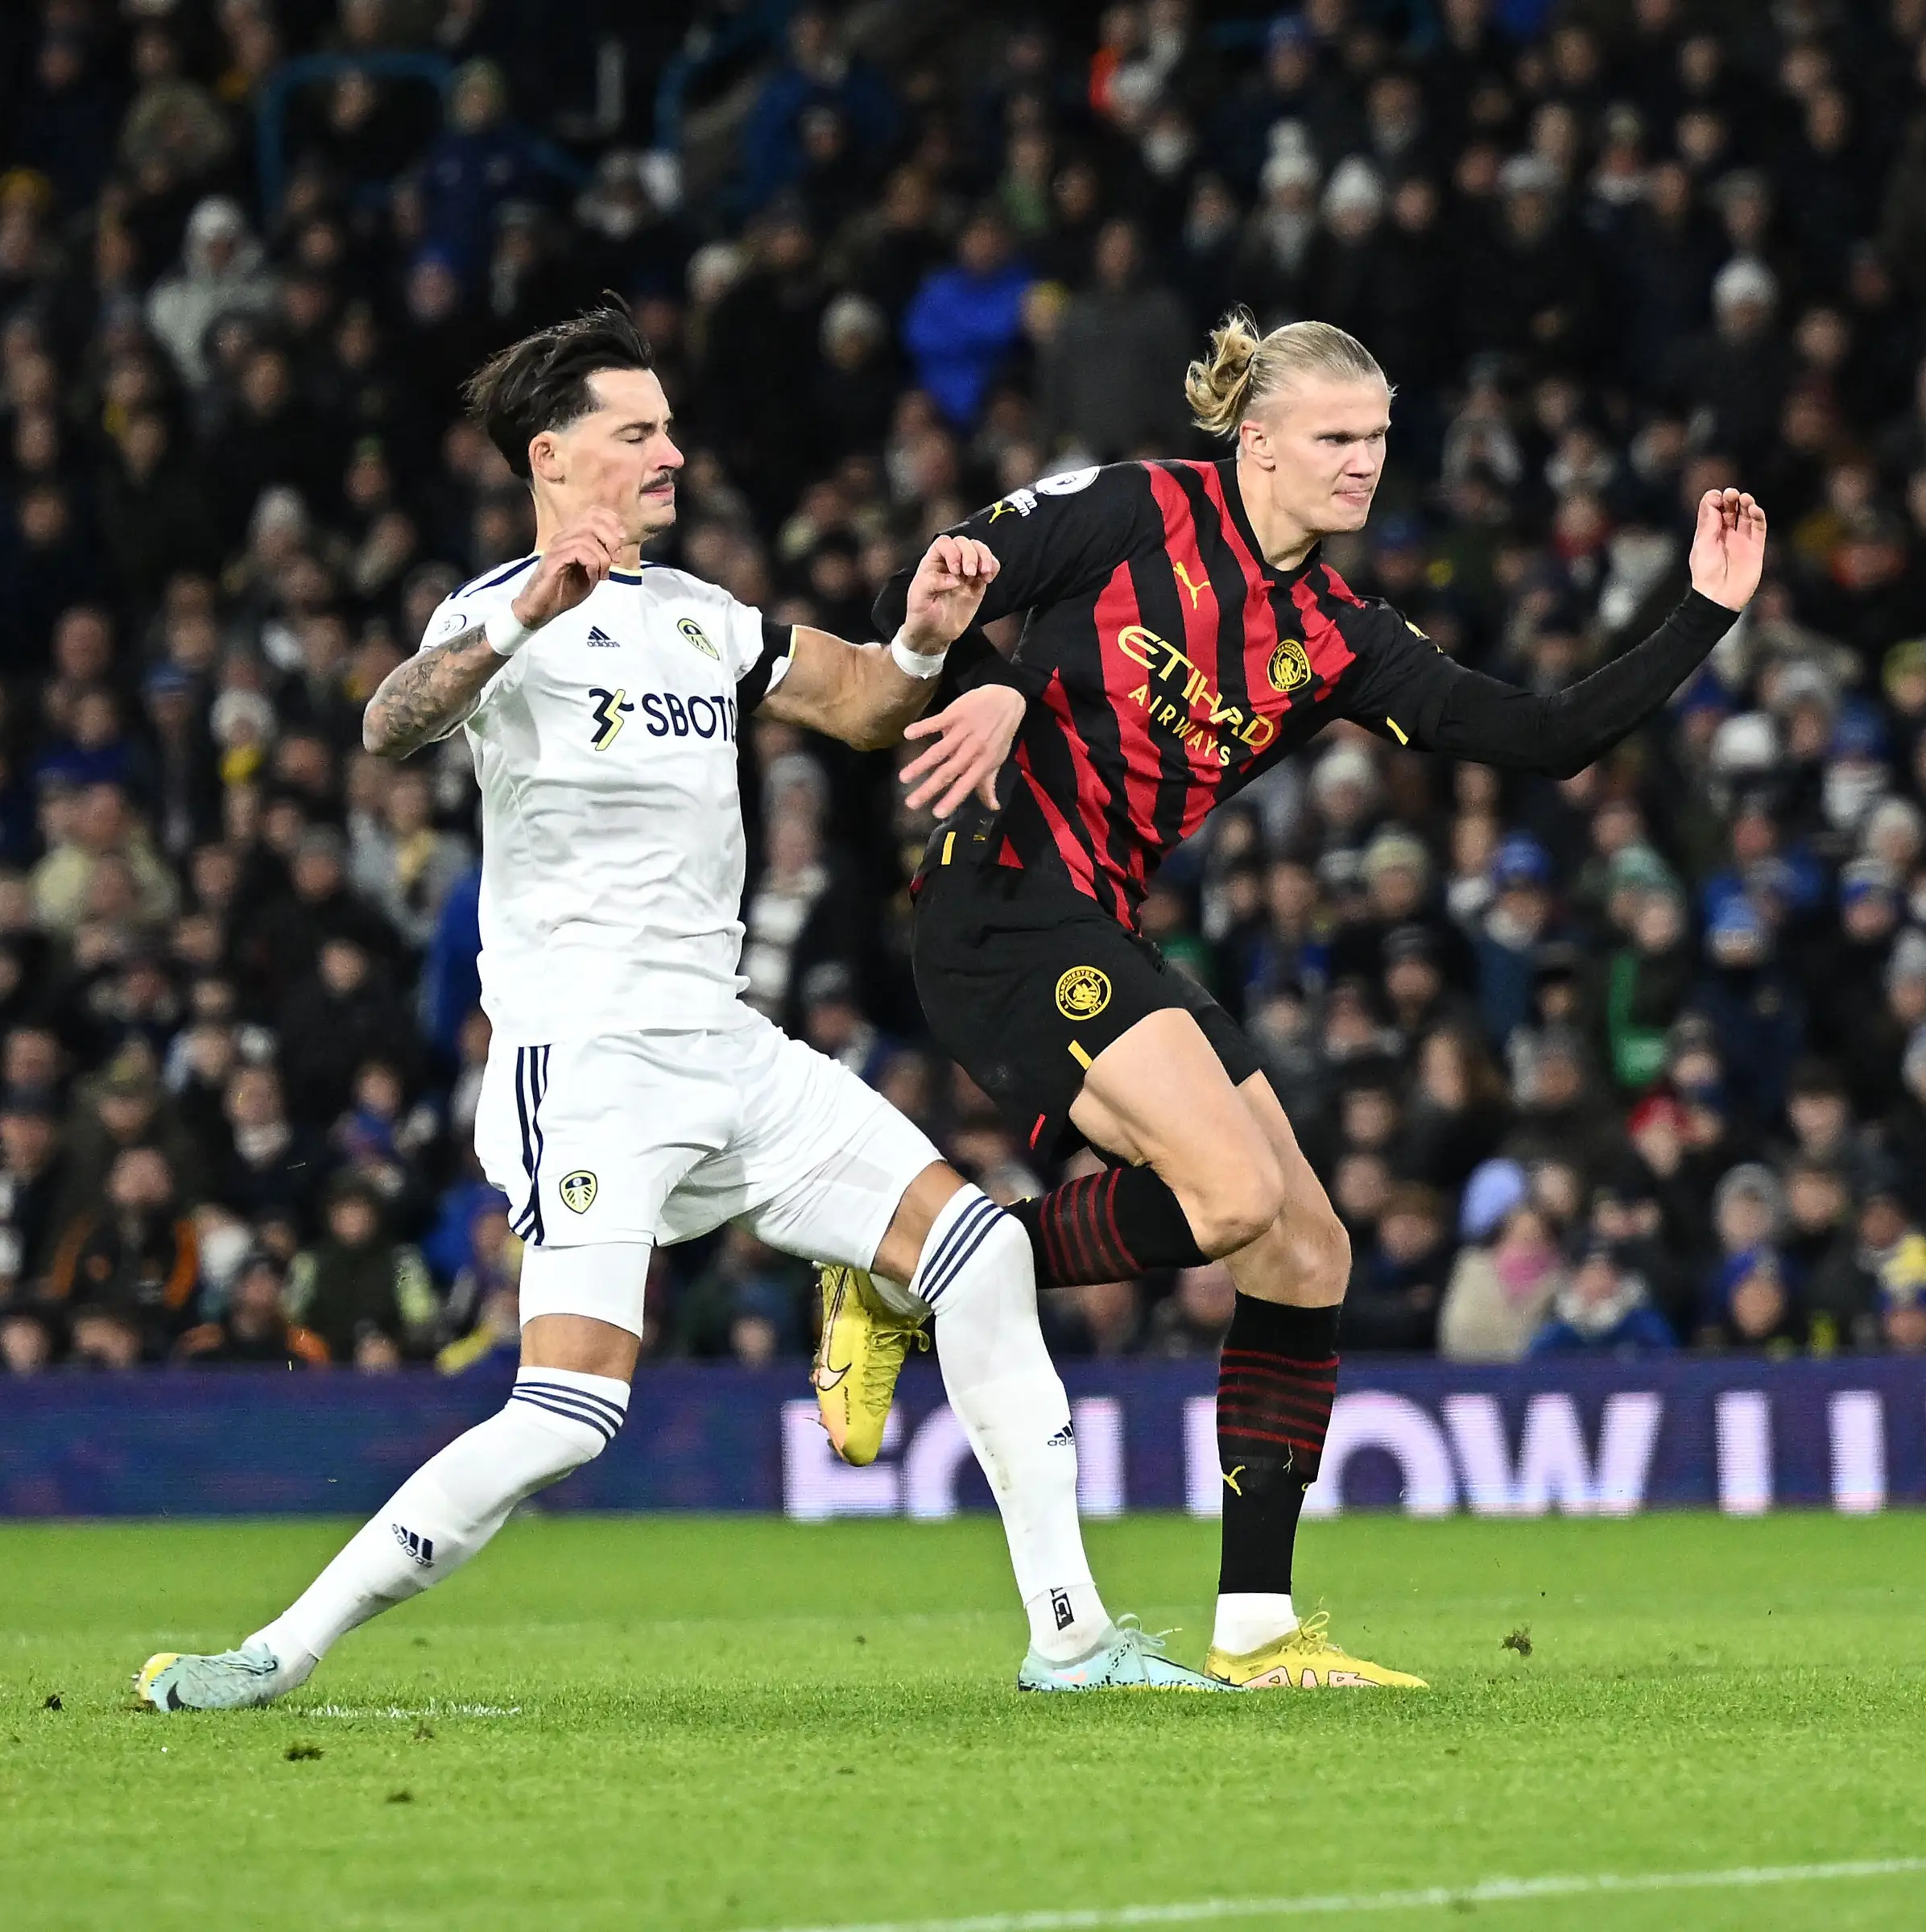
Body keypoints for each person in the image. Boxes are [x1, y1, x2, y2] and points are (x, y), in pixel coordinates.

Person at [136, 308, 1219, 1711]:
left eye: (666, 426)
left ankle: (1071, 1643)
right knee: (569, 1415)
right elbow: (390, 722)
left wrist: (923, 637)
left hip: (730, 1050)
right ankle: (276, 1650)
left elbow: (864, 704)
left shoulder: (703, 616)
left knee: (980, 1252)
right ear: (552, 454)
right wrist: (524, 616)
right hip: (585, 1068)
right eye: (637, 431)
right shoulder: (493, 611)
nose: (671, 452)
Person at [838, 309, 1768, 1689]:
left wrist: (1705, 613)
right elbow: (938, 589)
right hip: (999, 901)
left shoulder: (1335, 632)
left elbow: (1547, 738)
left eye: (1379, 438)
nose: (1363, 464)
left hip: (1102, 923)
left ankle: (1256, 1629)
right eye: (1336, 438)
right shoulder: (1131, 508)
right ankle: (919, 1275)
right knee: (1225, 1201)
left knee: (1306, 1250)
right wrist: (989, 684)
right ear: (1255, 440)